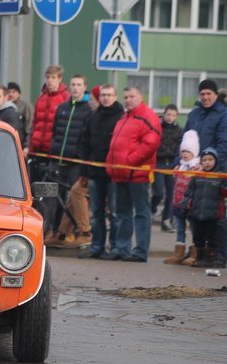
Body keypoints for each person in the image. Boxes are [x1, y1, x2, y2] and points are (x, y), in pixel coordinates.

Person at [103, 85, 161, 262]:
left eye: (131, 97)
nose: (127, 100)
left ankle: (140, 251)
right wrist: (111, 164)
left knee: (141, 213)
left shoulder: (148, 116)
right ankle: (122, 248)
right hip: (121, 174)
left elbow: (151, 143)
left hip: (137, 174)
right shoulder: (124, 117)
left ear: (140, 97)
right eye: (126, 97)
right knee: (122, 213)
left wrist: (129, 161)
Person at [183, 79, 227, 268]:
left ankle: (220, 255)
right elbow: (185, 140)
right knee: (197, 215)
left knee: (218, 218)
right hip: (194, 172)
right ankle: (202, 253)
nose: (205, 97)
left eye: (209, 94)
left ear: (216, 95)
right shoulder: (195, 114)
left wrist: (208, 165)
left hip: (215, 173)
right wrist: (179, 164)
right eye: (202, 94)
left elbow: (225, 145)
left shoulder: (225, 114)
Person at [43, 74, 93, 249]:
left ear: (84, 87)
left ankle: (78, 232)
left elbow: (87, 137)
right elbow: (56, 131)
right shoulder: (62, 107)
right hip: (58, 159)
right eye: (73, 84)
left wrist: (80, 156)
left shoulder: (88, 110)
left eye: (79, 84)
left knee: (74, 197)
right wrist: (53, 150)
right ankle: (57, 232)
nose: (75, 88)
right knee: (52, 198)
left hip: (75, 162)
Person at [77, 83, 124, 259]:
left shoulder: (121, 117)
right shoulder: (93, 116)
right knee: (96, 213)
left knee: (114, 213)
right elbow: (85, 144)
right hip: (94, 173)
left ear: (115, 96)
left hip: (114, 173)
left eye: (109, 95)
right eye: (103, 95)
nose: (105, 98)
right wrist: (84, 171)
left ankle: (115, 247)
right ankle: (97, 246)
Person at [180, 147, 227, 268]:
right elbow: (188, 193)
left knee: (212, 238)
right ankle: (200, 257)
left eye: (210, 159)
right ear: (201, 162)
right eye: (205, 160)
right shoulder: (197, 177)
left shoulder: (220, 177)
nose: (207, 162)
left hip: (212, 215)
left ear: (216, 161)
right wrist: (185, 206)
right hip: (197, 214)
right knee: (198, 238)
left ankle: (210, 258)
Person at [163, 130, 200, 265]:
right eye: (183, 151)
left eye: (188, 151)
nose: (184, 154)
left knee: (194, 228)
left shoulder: (197, 168)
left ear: (194, 153)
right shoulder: (179, 167)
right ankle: (178, 253)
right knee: (179, 228)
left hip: (191, 204)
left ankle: (195, 253)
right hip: (178, 203)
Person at [29, 65, 70, 181]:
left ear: (60, 79)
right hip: (37, 149)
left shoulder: (65, 98)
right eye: (48, 77)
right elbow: (35, 123)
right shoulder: (41, 98)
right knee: (35, 186)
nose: (50, 81)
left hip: (53, 151)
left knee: (50, 188)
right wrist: (31, 146)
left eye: (53, 77)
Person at [152, 104, 183, 232]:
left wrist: (178, 162)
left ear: (176, 116)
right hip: (158, 163)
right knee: (158, 192)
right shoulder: (157, 127)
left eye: (173, 115)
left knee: (171, 194)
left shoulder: (179, 131)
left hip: (172, 164)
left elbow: (180, 148)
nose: (170, 117)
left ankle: (166, 220)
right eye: (168, 114)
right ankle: (151, 209)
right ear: (164, 114)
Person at [7, 82, 32, 153]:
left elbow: (28, 126)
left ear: (19, 94)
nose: (11, 94)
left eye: (14, 92)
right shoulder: (4, 106)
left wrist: (26, 145)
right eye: (9, 92)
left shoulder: (25, 106)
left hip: (20, 144)